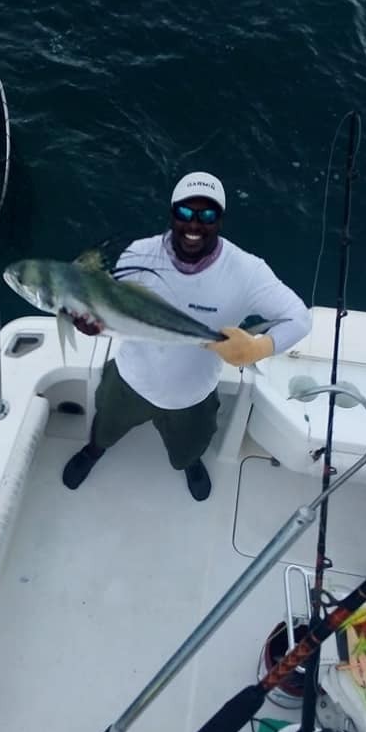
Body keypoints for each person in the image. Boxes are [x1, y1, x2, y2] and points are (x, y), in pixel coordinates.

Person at [62, 171, 312, 501]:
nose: (194, 224)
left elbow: (299, 318)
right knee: (104, 429)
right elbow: (115, 315)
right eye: (185, 213)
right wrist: (91, 325)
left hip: (193, 397)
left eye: (207, 215)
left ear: (220, 220)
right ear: (171, 213)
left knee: (189, 448)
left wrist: (258, 347)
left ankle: (189, 462)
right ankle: (93, 451)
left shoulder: (248, 271)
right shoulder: (138, 255)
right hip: (129, 382)